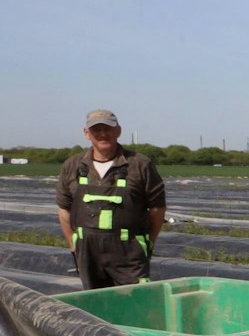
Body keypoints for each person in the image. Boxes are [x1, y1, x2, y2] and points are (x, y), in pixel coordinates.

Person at [56, 110, 167, 289]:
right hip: (87, 251)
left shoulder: (139, 164)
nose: (102, 134)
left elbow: (157, 208)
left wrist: (148, 242)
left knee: (134, 300)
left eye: (108, 128)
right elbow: (63, 209)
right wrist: (73, 243)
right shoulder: (73, 166)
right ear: (86, 133)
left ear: (118, 131)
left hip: (129, 251)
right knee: (96, 304)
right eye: (96, 129)